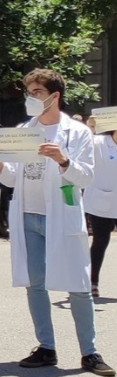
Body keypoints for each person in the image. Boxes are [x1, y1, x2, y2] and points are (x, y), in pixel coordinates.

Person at [0, 68, 113, 377]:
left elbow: (85, 176)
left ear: (54, 96)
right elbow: (12, 177)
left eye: (37, 93)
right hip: (28, 216)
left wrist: (62, 160)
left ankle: (90, 352)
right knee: (35, 284)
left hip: (62, 215)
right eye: (29, 92)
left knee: (79, 284)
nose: (30, 98)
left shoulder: (77, 133)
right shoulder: (23, 130)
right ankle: (46, 346)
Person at [86, 121, 117, 299]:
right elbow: (82, 145)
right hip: (101, 201)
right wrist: (90, 128)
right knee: (100, 242)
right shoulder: (99, 142)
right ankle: (92, 282)